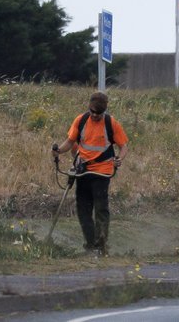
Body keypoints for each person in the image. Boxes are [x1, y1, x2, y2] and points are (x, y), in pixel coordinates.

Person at [54, 91, 128, 254]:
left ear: (104, 111)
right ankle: (90, 243)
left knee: (101, 207)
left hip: (102, 171)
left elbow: (124, 146)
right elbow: (70, 142)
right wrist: (59, 151)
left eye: (99, 113)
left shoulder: (111, 123)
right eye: (93, 112)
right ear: (89, 108)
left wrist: (119, 159)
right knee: (83, 209)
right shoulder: (80, 120)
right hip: (83, 171)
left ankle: (101, 243)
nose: (95, 116)